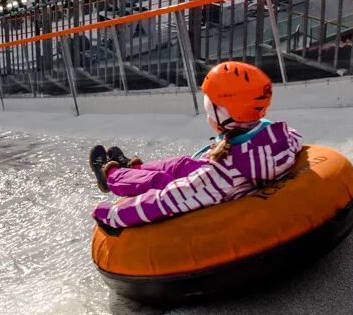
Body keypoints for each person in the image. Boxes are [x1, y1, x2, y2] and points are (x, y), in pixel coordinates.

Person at [88, 61, 302, 228]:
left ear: (221, 116)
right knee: (181, 164)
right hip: (239, 172)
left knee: (159, 181)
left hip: (224, 188)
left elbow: (168, 200)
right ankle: (133, 169)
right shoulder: (282, 135)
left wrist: (110, 214)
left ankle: (112, 174)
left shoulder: (221, 172)